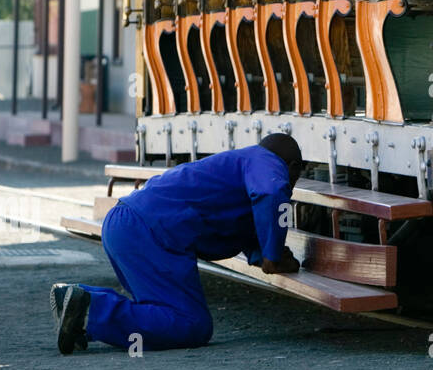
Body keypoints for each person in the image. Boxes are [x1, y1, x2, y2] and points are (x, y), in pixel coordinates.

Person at [51, 133, 305, 354]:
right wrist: (272, 255)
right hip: (150, 231)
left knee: (160, 309)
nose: (290, 186)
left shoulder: (238, 167)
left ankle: (79, 302)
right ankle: (90, 309)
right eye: (294, 176)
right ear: (292, 166)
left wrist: (271, 256)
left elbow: (250, 235)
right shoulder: (267, 162)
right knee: (190, 324)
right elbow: (272, 193)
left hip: (127, 224)